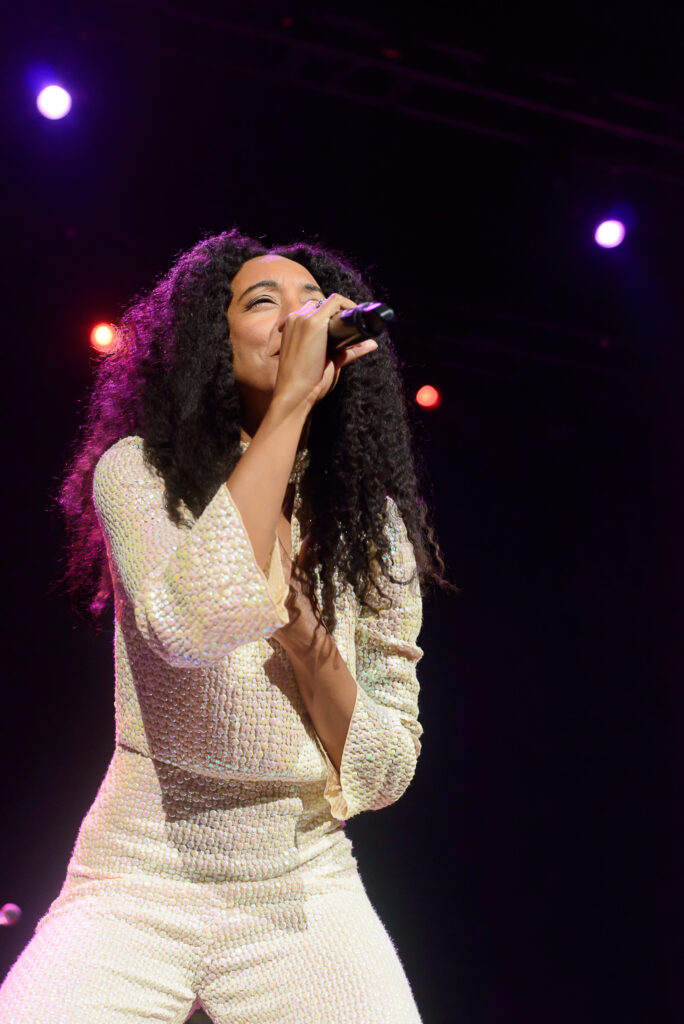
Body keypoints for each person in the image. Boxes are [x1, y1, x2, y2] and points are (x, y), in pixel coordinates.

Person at [0, 229, 454, 1023]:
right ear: (213, 338)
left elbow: (384, 775)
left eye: (311, 303)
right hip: (138, 872)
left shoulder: (371, 527)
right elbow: (194, 624)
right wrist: (287, 409)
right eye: (262, 301)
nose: (295, 317)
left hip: (302, 878)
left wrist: (309, 641)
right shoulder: (140, 473)